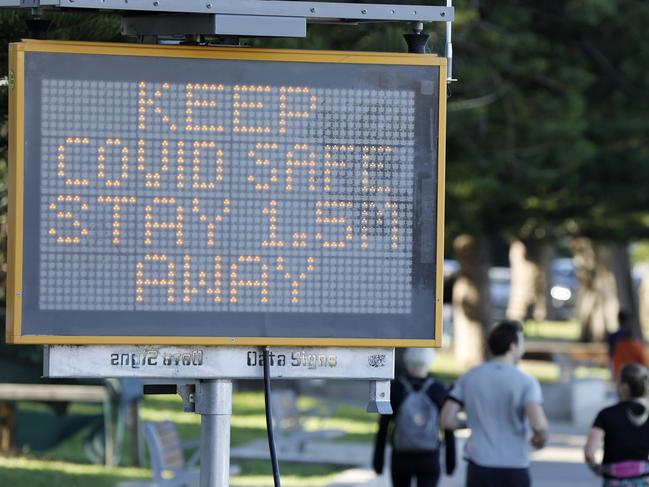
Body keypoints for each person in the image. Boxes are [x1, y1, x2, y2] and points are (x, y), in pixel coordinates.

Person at [440, 320, 549, 487]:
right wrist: (541, 438)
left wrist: (471, 423)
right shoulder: (526, 381)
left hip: (479, 466)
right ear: (512, 347)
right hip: (514, 467)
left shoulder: (469, 377)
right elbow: (538, 424)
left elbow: (446, 419)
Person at [372, 348, 455, 487]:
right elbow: (448, 426)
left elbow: (383, 427)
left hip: (401, 456)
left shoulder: (395, 389)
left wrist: (378, 463)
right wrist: (450, 463)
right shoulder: (438, 390)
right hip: (429, 455)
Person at [584, 363, 649, 486]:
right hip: (643, 480)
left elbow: (589, 452)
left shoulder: (606, 414)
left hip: (614, 480)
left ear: (624, 386)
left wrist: (596, 468)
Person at [609, 310, 649, 379]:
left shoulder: (620, 344)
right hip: (633, 375)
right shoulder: (636, 345)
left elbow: (613, 358)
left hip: (628, 375)